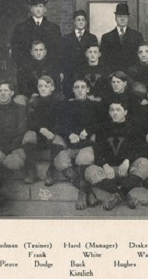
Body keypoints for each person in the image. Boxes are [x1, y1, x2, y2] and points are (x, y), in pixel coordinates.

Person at [84, 101, 148, 210]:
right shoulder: (103, 128)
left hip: (128, 170)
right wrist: (105, 165)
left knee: (145, 163)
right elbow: (97, 150)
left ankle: (117, 196)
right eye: (112, 110)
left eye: (118, 110)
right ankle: (125, 195)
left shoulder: (134, 128)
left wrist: (127, 161)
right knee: (89, 171)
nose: (115, 113)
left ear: (125, 112)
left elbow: (143, 149)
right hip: (108, 172)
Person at [52, 78, 104, 209]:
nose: (80, 90)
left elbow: (103, 124)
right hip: (69, 145)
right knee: (60, 162)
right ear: (73, 90)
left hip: (86, 145)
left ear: (87, 89)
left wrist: (88, 131)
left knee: (84, 160)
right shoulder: (66, 106)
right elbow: (58, 125)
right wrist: (69, 133)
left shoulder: (95, 105)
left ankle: (81, 194)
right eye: (77, 87)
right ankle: (88, 190)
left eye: (82, 87)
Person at [21, 76, 61, 185]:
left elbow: (60, 120)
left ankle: (50, 171)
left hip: (52, 135)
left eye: (46, 86)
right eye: (40, 86)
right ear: (37, 88)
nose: (43, 88)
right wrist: (42, 129)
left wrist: (51, 131)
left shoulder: (58, 102)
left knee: (59, 140)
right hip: (39, 135)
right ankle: (32, 171)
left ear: (52, 88)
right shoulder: (33, 102)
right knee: (28, 136)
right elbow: (30, 121)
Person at [11, 0, 61, 71]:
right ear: (30, 8)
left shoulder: (54, 28)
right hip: (27, 71)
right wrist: (27, 66)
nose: (38, 9)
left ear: (45, 9)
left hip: (48, 71)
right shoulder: (20, 28)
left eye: (40, 6)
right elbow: (16, 52)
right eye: (35, 6)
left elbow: (57, 52)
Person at [60, 10, 98, 98]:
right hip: (70, 73)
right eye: (78, 20)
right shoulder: (66, 38)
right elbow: (62, 57)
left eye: (83, 20)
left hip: (86, 72)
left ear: (86, 22)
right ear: (74, 22)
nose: (80, 22)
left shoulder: (91, 37)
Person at [15, 39, 63, 105]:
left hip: (50, 94)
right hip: (32, 96)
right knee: (19, 100)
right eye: (36, 50)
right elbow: (22, 87)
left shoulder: (53, 66)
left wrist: (48, 92)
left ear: (45, 52)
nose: (38, 53)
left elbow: (57, 85)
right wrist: (31, 94)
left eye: (41, 50)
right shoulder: (24, 68)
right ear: (31, 52)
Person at [101, 3, 143, 74]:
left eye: (125, 16)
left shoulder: (137, 36)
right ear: (115, 18)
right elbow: (104, 60)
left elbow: (139, 59)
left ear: (128, 18)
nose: (122, 19)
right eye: (120, 16)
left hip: (132, 75)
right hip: (113, 77)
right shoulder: (106, 37)